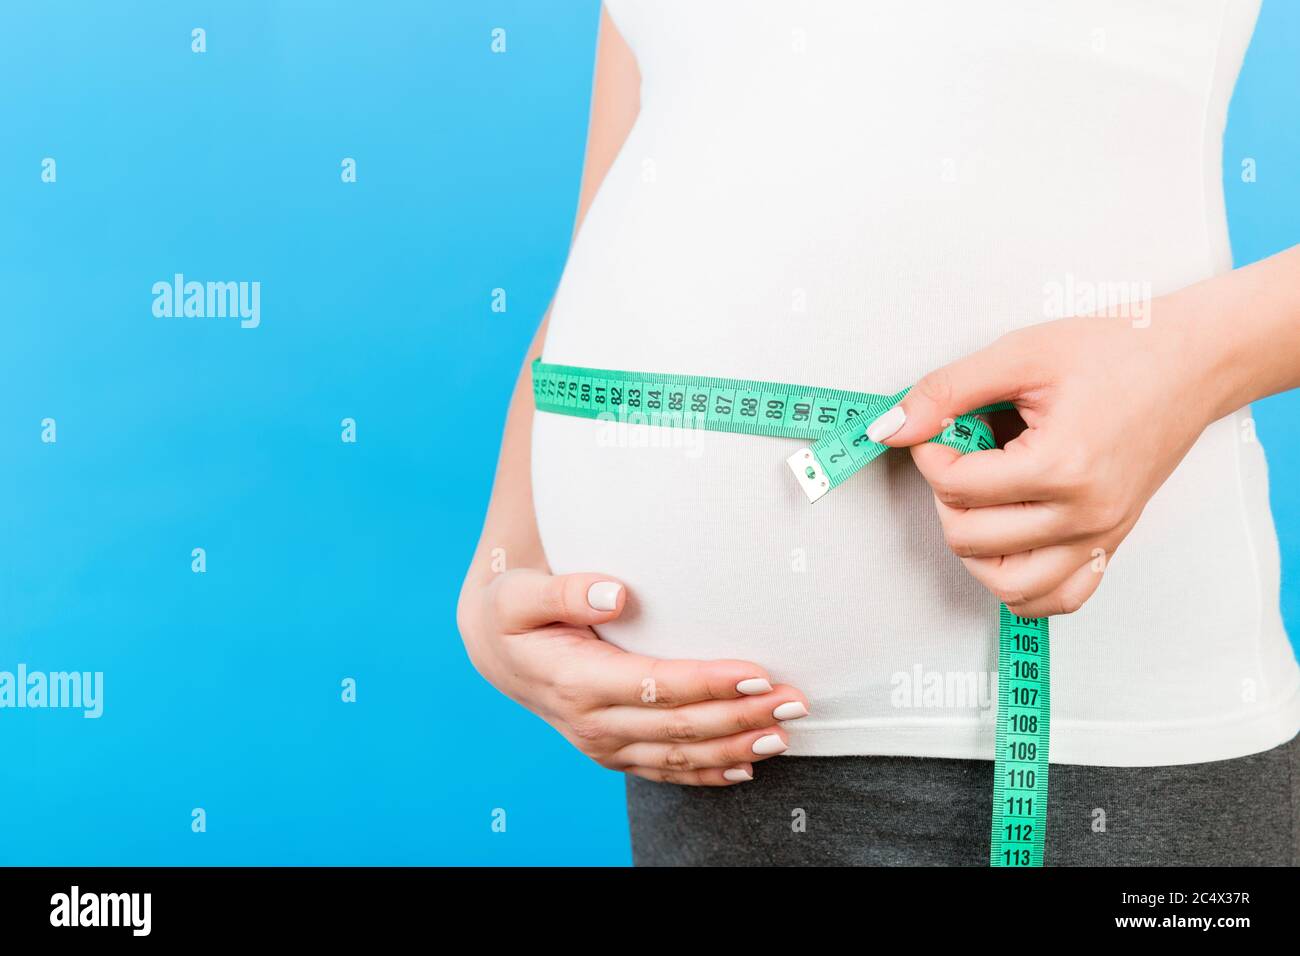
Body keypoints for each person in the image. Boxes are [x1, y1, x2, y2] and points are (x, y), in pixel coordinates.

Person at [458, 0, 1300, 865]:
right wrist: (509, 554)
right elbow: (647, 158)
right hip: (706, 742)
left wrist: (1187, 363)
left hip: (1100, 736)